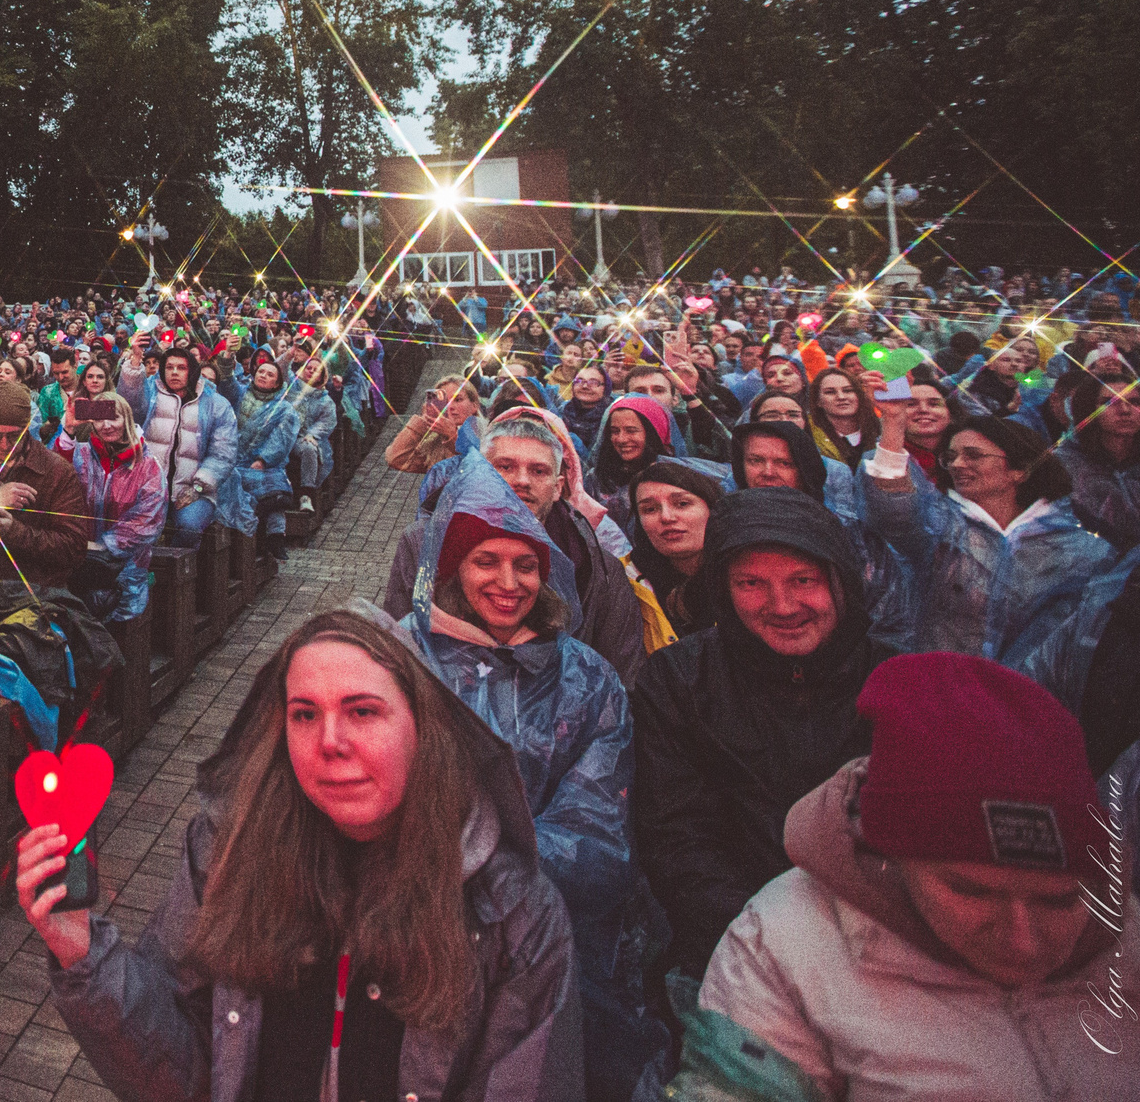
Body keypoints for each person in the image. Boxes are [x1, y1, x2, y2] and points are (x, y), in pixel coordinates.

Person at [27, 606, 580, 1102]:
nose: (330, 741)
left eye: (363, 712)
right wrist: (82, 953)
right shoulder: (227, 855)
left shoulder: (512, 913)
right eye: (305, 714)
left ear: (423, 727)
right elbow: (187, 1071)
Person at [698, 654, 1129, 1099]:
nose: (1024, 940)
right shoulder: (781, 952)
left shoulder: (1129, 947)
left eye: (1059, 900)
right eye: (971, 891)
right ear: (893, 855)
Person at [396, 456, 668, 1101]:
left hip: (544, 940)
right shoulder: (396, 658)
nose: (509, 582)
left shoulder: (587, 679)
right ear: (453, 568)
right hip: (408, 930)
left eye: (526, 565)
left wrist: (457, 860)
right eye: (486, 561)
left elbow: (596, 834)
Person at [628, 488, 896, 978]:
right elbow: (678, 837)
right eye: (751, 583)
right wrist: (766, 944)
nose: (783, 604)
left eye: (804, 580)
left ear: (841, 582)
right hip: (738, 948)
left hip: (883, 950)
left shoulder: (895, 682)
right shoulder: (680, 682)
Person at [382, 407, 653, 680]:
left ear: (558, 487)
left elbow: (621, 674)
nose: (522, 481)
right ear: (476, 472)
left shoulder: (596, 567)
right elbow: (395, 652)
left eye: (538, 471)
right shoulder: (424, 542)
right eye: (505, 466)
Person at [861, 406, 1112, 663]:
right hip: (943, 685)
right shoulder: (937, 527)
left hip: (1028, 695)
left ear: (1020, 470)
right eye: (951, 456)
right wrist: (892, 425)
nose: (957, 464)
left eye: (973, 456)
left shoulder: (1079, 548)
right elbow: (893, 510)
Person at [0, 380, 96, 604]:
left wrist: (15, 532)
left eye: (14, 436)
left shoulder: (56, 471)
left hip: (37, 595)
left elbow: (73, 548)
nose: (5, 444)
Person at [52, 391, 164, 624]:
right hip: (79, 561)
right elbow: (55, 477)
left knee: (119, 630)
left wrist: (105, 546)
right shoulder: (81, 454)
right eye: (100, 418)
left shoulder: (147, 466)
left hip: (125, 568)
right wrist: (69, 431)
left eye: (114, 417)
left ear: (127, 419)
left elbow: (147, 521)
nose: (107, 425)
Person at [116, 344, 238, 550]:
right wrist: (134, 364)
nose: (174, 372)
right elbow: (129, 405)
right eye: (169, 367)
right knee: (133, 527)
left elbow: (223, 454)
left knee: (189, 528)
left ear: (192, 371)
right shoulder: (151, 394)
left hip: (195, 488)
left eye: (181, 368)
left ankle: (186, 574)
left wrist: (198, 488)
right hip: (149, 486)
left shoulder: (216, 404)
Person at [624, 460, 726, 634]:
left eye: (682, 504)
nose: (666, 517)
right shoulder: (623, 581)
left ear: (711, 509)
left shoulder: (746, 573)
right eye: (649, 509)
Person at [211, 354, 298, 548]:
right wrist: (226, 358)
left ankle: (274, 537)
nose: (264, 376)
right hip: (232, 457)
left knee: (271, 492)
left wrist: (262, 460)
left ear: (277, 383)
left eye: (270, 374)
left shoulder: (283, 409)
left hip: (265, 464)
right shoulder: (240, 394)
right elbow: (227, 382)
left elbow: (281, 439)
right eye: (261, 371)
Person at [1057, 361, 1140, 551]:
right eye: (1109, 402)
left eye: (1134, 402)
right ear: (1089, 409)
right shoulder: (1064, 464)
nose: (1125, 411)